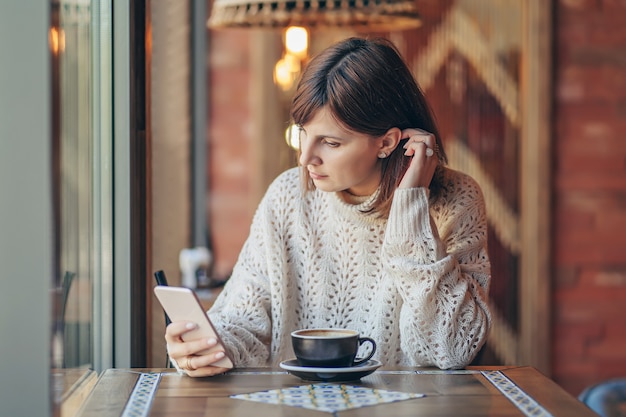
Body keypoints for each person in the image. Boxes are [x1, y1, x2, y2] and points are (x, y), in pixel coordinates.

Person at [165, 37, 492, 377]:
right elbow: (243, 321)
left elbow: (453, 349)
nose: (306, 157)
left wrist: (411, 208)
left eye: (331, 142)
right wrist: (205, 347)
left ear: (387, 142)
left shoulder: (456, 198)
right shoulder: (287, 197)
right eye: (303, 132)